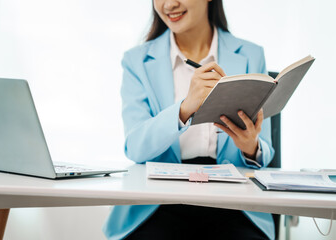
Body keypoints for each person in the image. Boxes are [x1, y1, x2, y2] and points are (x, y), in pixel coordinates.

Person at [103, 0, 275, 239]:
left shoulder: (250, 54)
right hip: (158, 203)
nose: (169, 4)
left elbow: (264, 150)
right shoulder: (137, 61)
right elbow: (135, 148)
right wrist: (184, 108)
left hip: (234, 203)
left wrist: (250, 147)